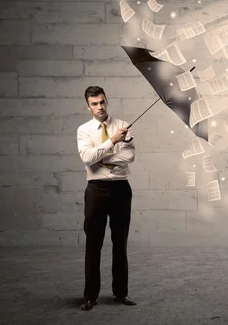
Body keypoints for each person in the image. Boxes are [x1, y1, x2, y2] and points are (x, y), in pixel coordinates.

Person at [76, 86, 137, 311]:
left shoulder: (123, 125)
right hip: (96, 191)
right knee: (94, 244)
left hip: (121, 189)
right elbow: (87, 157)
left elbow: (130, 156)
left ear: (106, 101)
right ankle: (90, 296)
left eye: (102, 102)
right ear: (88, 106)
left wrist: (101, 157)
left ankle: (120, 293)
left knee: (120, 243)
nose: (100, 107)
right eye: (94, 103)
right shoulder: (83, 130)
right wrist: (112, 142)